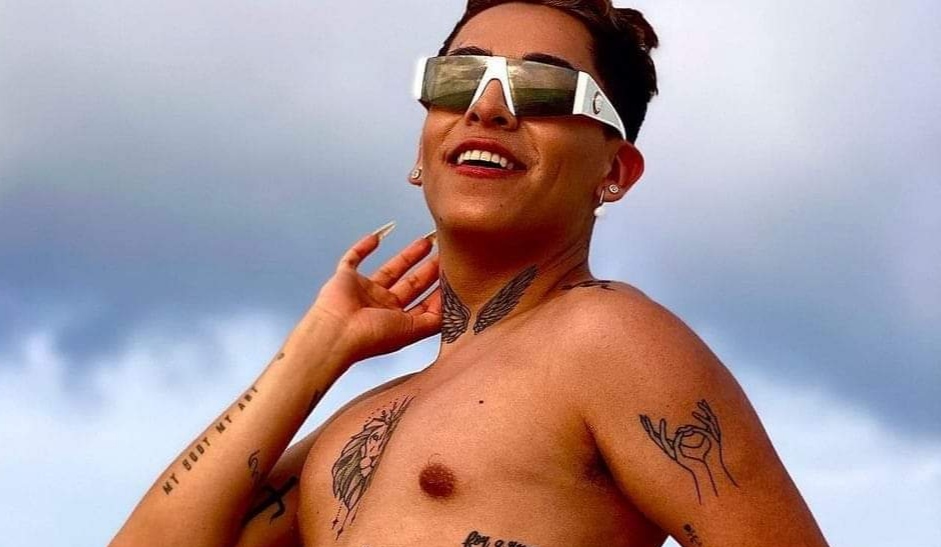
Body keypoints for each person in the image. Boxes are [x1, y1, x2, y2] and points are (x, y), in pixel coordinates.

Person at [112, 2, 830, 546]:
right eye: (458, 79)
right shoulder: (356, 427)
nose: (488, 106)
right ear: (422, 147)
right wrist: (312, 354)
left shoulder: (608, 339)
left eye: (542, 87)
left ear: (614, 170)